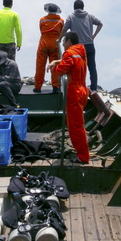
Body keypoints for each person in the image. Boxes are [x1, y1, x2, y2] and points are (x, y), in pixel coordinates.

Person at [48, 32, 89, 163]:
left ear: (69, 41)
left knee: (75, 127)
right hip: (83, 89)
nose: (63, 45)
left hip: (74, 92)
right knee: (78, 124)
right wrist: (57, 60)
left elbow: (61, 70)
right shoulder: (81, 52)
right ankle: (82, 153)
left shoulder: (69, 53)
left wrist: (54, 67)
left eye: (64, 42)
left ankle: (83, 157)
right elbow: (72, 61)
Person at [62, 0, 103, 91]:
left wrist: (59, 39)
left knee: (78, 69)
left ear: (74, 8)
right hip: (89, 45)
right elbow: (100, 23)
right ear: (83, 7)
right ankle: (93, 89)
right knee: (92, 68)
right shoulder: (89, 16)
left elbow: (64, 29)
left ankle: (80, 88)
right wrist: (94, 36)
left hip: (78, 48)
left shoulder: (71, 17)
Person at [34, 3, 64, 94]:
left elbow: (41, 30)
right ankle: (55, 87)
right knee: (54, 66)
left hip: (43, 42)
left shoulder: (42, 20)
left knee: (40, 65)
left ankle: (38, 87)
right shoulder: (61, 20)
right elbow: (62, 31)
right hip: (55, 43)